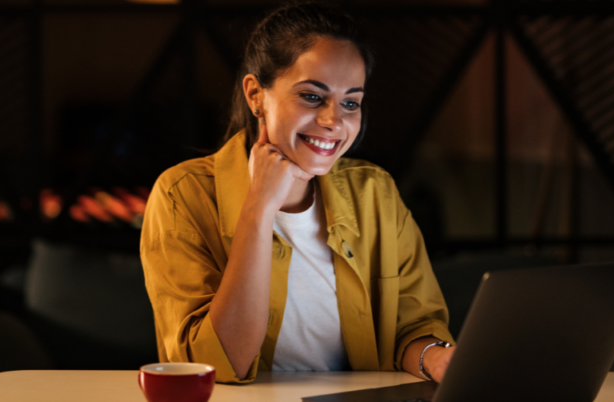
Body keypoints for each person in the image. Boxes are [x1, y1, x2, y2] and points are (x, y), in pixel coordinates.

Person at [140, 2, 455, 384]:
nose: (333, 121)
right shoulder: (181, 196)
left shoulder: (376, 193)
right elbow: (217, 364)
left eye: (350, 102)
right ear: (256, 94)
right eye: (311, 96)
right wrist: (259, 209)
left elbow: (412, 328)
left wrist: (437, 360)